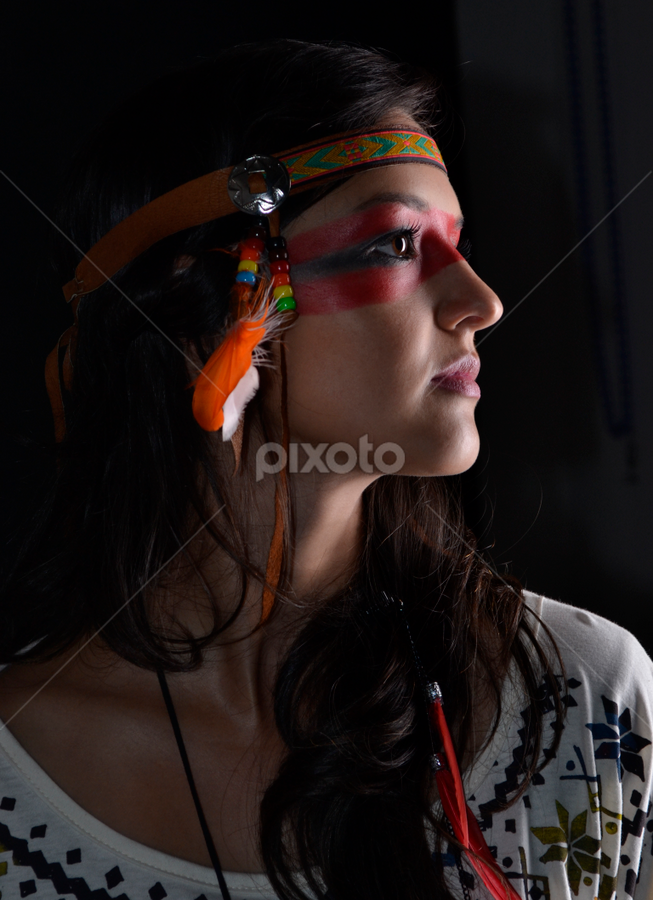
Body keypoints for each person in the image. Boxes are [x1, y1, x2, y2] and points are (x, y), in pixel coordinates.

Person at [0, 40, 651, 900]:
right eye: (395, 245)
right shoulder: (16, 771)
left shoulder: (584, 700)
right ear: (200, 308)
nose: (482, 303)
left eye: (456, 243)